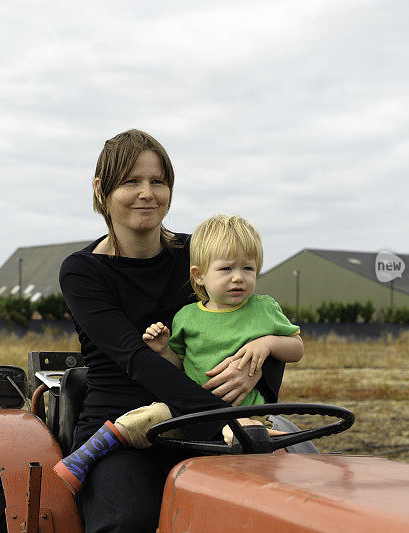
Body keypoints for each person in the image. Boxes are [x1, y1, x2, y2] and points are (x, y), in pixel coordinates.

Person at [57, 130, 288, 532]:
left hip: (211, 413)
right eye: (131, 181)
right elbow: (136, 358)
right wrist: (223, 419)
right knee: (131, 521)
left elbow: (252, 317)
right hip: (122, 426)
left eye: (157, 181)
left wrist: (259, 352)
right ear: (101, 190)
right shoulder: (82, 271)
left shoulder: (197, 257)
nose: (147, 193)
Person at [55, 215, 303, 493]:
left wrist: (267, 344)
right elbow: (179, 364)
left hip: (248, 413)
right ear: (199, 275)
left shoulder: (264, 308)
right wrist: (163, 350)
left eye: (248, 268)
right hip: (188, 411)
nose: (238, 277)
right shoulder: (187, 317)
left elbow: (296, 347)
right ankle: (86, 456)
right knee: (148, 417)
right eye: (226, 269)